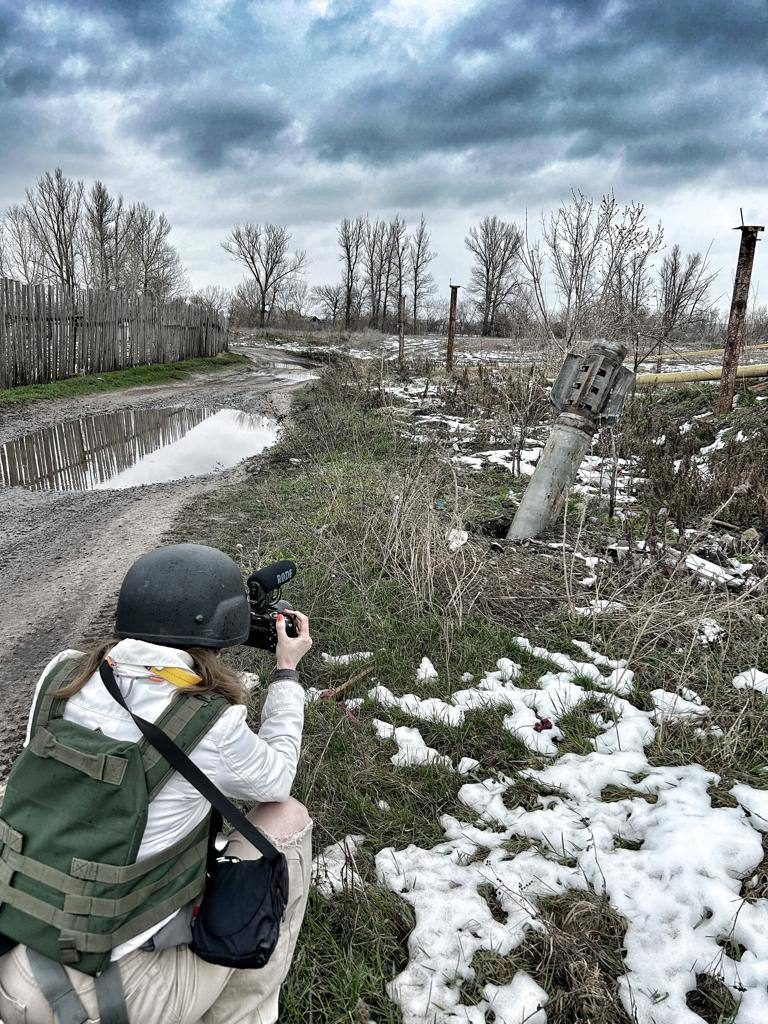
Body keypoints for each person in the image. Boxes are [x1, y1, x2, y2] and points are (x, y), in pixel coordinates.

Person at [0, 543, 312, 1024]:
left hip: (10, 960)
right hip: (107, 1000)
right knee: (286, 817)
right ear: (222, 630)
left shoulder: (59, 675)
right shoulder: (211, 723)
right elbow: (278, 777)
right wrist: (287, 671)